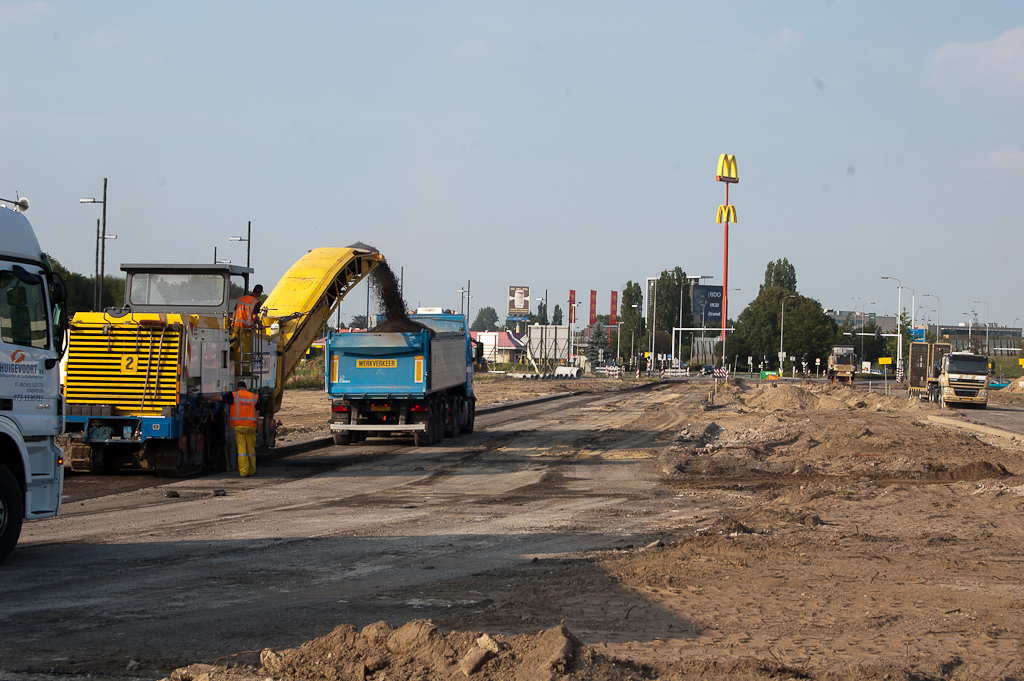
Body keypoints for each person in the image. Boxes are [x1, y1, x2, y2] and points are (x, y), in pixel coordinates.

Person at [205, 381, 260, 476]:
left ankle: (243, 472)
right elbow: (257, 411)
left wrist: (206, 396)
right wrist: (256, 423)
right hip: (251, 426)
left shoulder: (234, 395)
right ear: (246, 387)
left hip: (238, 426)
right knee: (251, 449)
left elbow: (218, 398)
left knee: (242, 449)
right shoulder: (254, 396)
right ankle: (252, 470)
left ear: (237, 387)